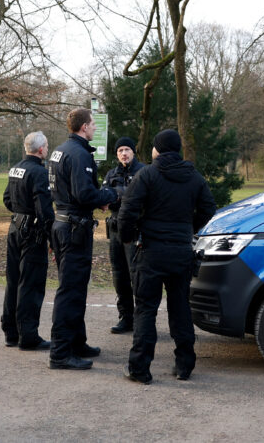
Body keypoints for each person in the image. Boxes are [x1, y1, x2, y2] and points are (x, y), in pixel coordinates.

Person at [118, 128, 217, 384]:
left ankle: (140, 368)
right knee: (180, 307)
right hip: (181, 252)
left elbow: (128, 210)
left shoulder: (147, 174)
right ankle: (185, 365)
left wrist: (128, 236)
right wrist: (189, 227)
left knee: (146, 310)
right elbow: (209, 208)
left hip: (150, 251)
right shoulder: (193, 177)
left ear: (158, 149)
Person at [48, 107, 118, 370]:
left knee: (75, 288)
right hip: (74, 229)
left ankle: (77, 342)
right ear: (84, 127)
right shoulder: (79, 154)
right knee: (71, 291)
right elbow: (84, 195)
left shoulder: (61, 150)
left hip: (64, 223)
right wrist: (111, 196)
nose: (95, 128)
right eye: (93, 124)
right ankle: (61, 353)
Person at [0, 131, 53, 351]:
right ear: (41, 149)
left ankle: (11, 332)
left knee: (13, 280)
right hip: (33, 233)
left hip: (15, 229)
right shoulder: (40, 172)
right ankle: (28, 335)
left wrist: (20, 213)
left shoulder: (16, 169)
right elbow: (44, 209)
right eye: (47, 146)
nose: (47, 149)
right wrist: (51, 236)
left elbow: (7, 199)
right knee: (30, 283)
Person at [102, 136, 145, 334]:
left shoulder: (143, 172)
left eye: (127, 149)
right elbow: (102, 196)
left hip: (135, 230)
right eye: (120, 151)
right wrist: (121, 194)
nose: (124, 154)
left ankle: (141, 320)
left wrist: (117, 194)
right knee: (119, 276)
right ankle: (125, 318)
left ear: (133, 152)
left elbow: (140, 197)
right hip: (115, 230)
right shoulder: (112, 173)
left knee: (136, 275)